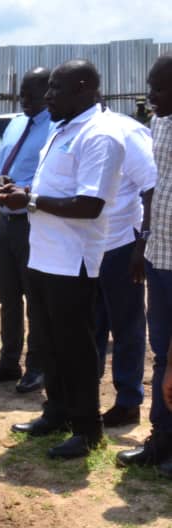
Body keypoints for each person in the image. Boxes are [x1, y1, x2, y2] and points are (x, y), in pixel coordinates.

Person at [0, 59, 125, 459]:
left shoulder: (100, 135)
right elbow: (53, 187)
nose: (47, 96)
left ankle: (87, 429)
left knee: (76, 347)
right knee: (48, 343)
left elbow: (89, 204)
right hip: (44, 256)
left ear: (85, 87)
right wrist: (21, 190)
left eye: (56, 89)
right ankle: (56, 413)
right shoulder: (62, 127)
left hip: (73, 263)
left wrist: (30, 200)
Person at [0, 67, 51, 393]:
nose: (25, 101)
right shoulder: (17, 123)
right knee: (8, 297)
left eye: (32, 95)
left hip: (33, 223)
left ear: (48, 93)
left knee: (36, 299)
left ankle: (37, 367)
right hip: (5, 223)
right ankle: (8, 363)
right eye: (22, 94)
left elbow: (53, 176)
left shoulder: (56, 127)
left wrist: (24, 190)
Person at [124, 54, 172, 477]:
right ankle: (161, 440)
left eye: (158, 87)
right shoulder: (157, 127)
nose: (150, 96)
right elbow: (151, 195)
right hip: (160, 259)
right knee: (162, 354)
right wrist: (142, 244)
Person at [93, 109, 155, 428]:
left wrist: (141, 245)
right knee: (92, 325)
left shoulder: (125, 132)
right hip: (87, 248)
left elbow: (151, 187)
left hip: (121, 245)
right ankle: (85, 397)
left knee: (127, 326)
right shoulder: (77, 131)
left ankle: (128, 401)